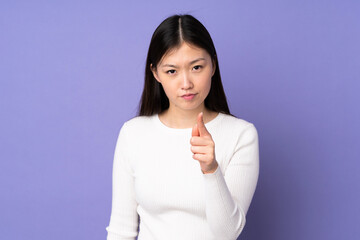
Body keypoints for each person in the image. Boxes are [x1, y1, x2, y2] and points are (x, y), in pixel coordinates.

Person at [105, 14, 259, 240]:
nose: (186, 83)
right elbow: (121, 231)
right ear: (155, 73)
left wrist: (211, 169)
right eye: (172, 71)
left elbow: (227, 233)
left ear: (213, 65)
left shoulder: (241, 135)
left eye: (196, 67)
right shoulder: (133, 134)